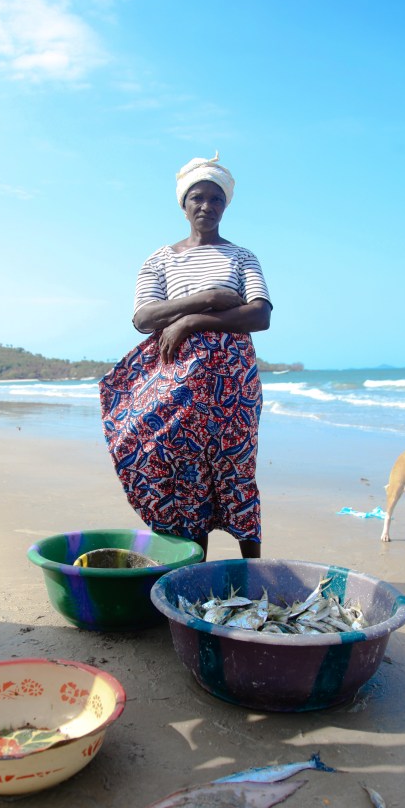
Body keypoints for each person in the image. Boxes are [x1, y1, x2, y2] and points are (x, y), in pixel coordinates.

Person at [99, 153, 272, 559]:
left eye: (216, 199)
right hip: (177, 382)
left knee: (236, 466)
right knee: (182, 468)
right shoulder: (161, 259)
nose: (206, 206)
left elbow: (260, 314)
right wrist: (208, 299)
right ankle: (196, 569)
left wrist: (191, 321)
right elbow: (143, 317)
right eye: (198, 198)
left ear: (225, 205)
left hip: (234, 383)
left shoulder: (242, 256)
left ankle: (253, 569)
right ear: (183, 203)